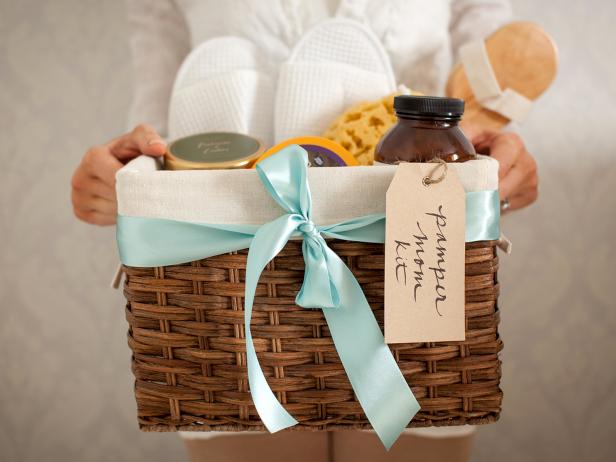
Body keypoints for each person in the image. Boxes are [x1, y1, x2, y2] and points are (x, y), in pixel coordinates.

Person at [71, 1, 538, 461]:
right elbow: (158, 131)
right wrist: (125, 171)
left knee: (424, 405)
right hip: (228, 313)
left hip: (410, 278)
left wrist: (496, 159)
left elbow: (486, 97)